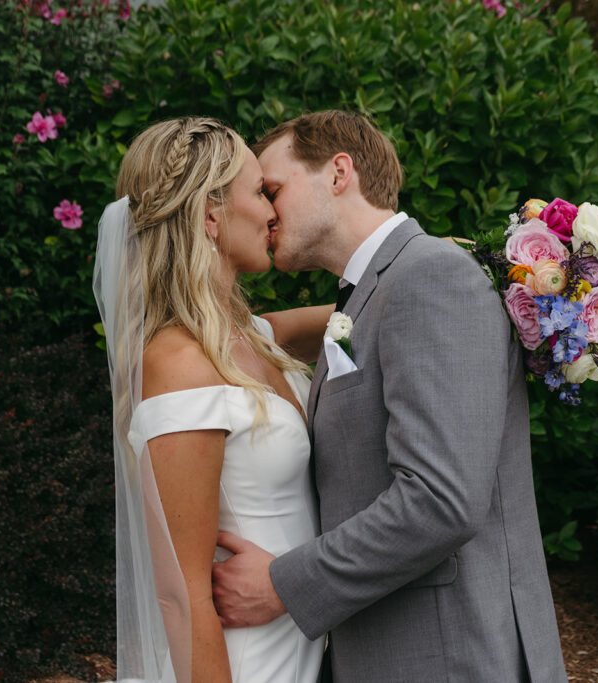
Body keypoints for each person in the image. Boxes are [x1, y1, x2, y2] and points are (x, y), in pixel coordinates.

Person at [211, 110, 568, 682]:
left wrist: (283, 585)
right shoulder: (375, 292)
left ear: (338, 173)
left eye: (272, 188)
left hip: (452, 655)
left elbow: (439, 501)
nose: (266, 211)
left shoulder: (432, 278)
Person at [92, 117, 330, 683]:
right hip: (243, 665)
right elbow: (180, 595)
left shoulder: (242, 338)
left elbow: (334, 320)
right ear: (210, 214)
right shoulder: (180, 365)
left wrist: (421, 271)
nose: (274, 211)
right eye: (260, 192)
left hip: (298, 648)